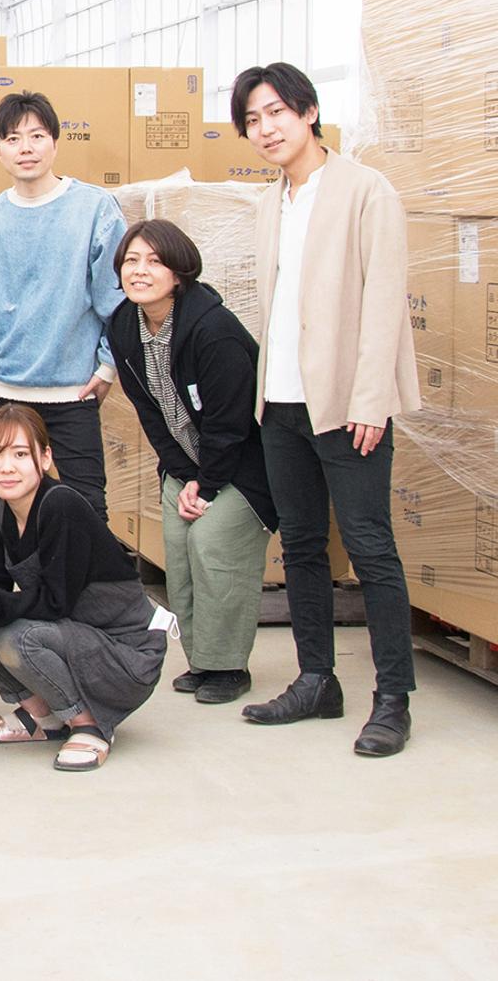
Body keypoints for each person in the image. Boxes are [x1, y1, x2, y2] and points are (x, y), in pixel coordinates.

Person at [232, 63, 421, 757]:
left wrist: (371, 398)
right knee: (302, 546)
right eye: (253, 120)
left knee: (370, 549)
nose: (266, 129)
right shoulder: (270, 202)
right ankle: (317, 680)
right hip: (281, 402)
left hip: (346, 403)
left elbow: (384, 301)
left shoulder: (366, 191)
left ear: (309, 112)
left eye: (276, 112)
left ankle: (393, 699)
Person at [108, 219, 275, 706]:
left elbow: (230, 425)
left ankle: (229, 666)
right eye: (131, 261)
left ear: (179, 273)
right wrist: (183, 475)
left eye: (154, 261)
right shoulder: (124, 325)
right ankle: (203, 660)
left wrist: (206, 484)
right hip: (185, 464)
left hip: (244, 467)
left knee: (212, 542)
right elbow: (148, 410)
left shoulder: (212, 330)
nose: (139, 271)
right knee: (179, 550)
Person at [0, 405, 170, 772]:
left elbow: (55, 602)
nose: (6, 467)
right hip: (73, 636)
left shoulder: (61, 505)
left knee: (17, 639)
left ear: (45, 458)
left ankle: (88, 724)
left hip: (124, 655)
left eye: (20, 454)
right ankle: (42, 713)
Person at [0, 92, 126, 515]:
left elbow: (117, 298)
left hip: (74, 389)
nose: (26, 148)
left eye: (37, 136)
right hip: (8, 388)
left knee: (86, 506)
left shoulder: (94, 208)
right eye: (13, 139)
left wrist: (107, 367)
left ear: (55, 142)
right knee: (16, 505)